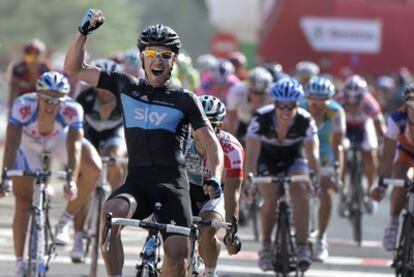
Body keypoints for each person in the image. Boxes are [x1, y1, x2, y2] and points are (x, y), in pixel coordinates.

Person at [64, 9, 224, 277]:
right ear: (141, 57)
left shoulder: (185, 99)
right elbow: (73, 69)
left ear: (174, 61)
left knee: (177, 258)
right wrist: (83, 34)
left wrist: (215, 177)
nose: (157, 60)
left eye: (165, 55)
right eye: (151, 54)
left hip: (173, 186)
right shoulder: (126, 86)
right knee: (110, 216)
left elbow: (211, 143)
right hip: (137, 183)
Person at [0, 71, 101, 276]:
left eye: (57, 100)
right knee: (23, 202)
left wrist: (71, 180)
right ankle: (20, 263)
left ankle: (64, 222)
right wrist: (5, 176)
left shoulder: (73, 110)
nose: (51, 104)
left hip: (58, 139)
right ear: (37, 95)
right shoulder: (23, 106)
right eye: (46, 98)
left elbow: (75, 147)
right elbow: (11, 144)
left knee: (93, 167)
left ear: (65, 99)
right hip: (28, 142)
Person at [244, 78, 321, 272]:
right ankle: (266, 247)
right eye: (281, 106)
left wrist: (315, 180)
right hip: (266, 158)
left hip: (294, 157)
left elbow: (313, 156)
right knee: (269, 198)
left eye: (291, 106)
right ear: (274, 103)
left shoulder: (306, 121)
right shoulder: (260, 119)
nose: (285, 111)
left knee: (300, 190)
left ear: (298, 104)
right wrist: (249, 180)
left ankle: (303, 246)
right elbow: (252, 155)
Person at [186, 95, 243, 277]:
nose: (203, 131)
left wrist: (231, 231)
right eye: (197, 124)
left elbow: (233, 192)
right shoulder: (181, 141)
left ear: (220, 127)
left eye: (211, 125)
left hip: (214, 195)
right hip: (186, 189)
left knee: (206, 230)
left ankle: (210, 272)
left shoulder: (232, 149)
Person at [302, 76, 346, 261]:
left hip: (325, 151)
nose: (317, 106)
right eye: (313, 101)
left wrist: (338, 174)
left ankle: (320, 238)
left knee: (326, 190)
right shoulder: (300, 108)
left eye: (322, 102)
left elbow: (338, 145)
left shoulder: (336, 112)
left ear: (330, 100)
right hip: (302, 149)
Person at [371, 83, 414, 251]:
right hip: (404, 153)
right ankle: (393, 224)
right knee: (399, 182)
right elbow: (387, 154)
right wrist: (382, 182)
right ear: (405, 105)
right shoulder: (397, 118)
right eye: (412, 105)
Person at [336, 74, 386, 215]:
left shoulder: (370, 103)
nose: (352, 106)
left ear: (362, 97)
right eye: (349, 102)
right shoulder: (338, 102)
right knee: (341, 152)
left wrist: (386, 144)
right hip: (345, 127)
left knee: (370, 153)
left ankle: (370, 191)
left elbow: (381, 128)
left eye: (355, 102)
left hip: (363, 126)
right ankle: (343, 192)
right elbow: (331, 128)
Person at [76, 58, 127, 189]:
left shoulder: (125, 100)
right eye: (101, 86)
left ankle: (117, 196)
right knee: (84, 166)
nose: (105, 90)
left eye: (110, 86)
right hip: (90, 134)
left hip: (115, 134)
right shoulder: (84, 98)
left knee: (112, 160)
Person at [225, 66, 273, 141]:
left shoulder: (272, 93)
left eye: (262, 93)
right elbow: (231, 118)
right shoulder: (236, 91)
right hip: (242, 121)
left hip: (264, 122)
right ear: (248, 87)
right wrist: (231, 139)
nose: (258, 96)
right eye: (255, 92)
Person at [8, 39, 51, 110]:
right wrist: (11, 108)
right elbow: (13, 89)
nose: (33, 62)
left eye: (36, 58)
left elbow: (50, 90)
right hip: (22, 103)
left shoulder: (45, 68)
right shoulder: (18, 68)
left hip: (40, 103)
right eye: (29, 58)